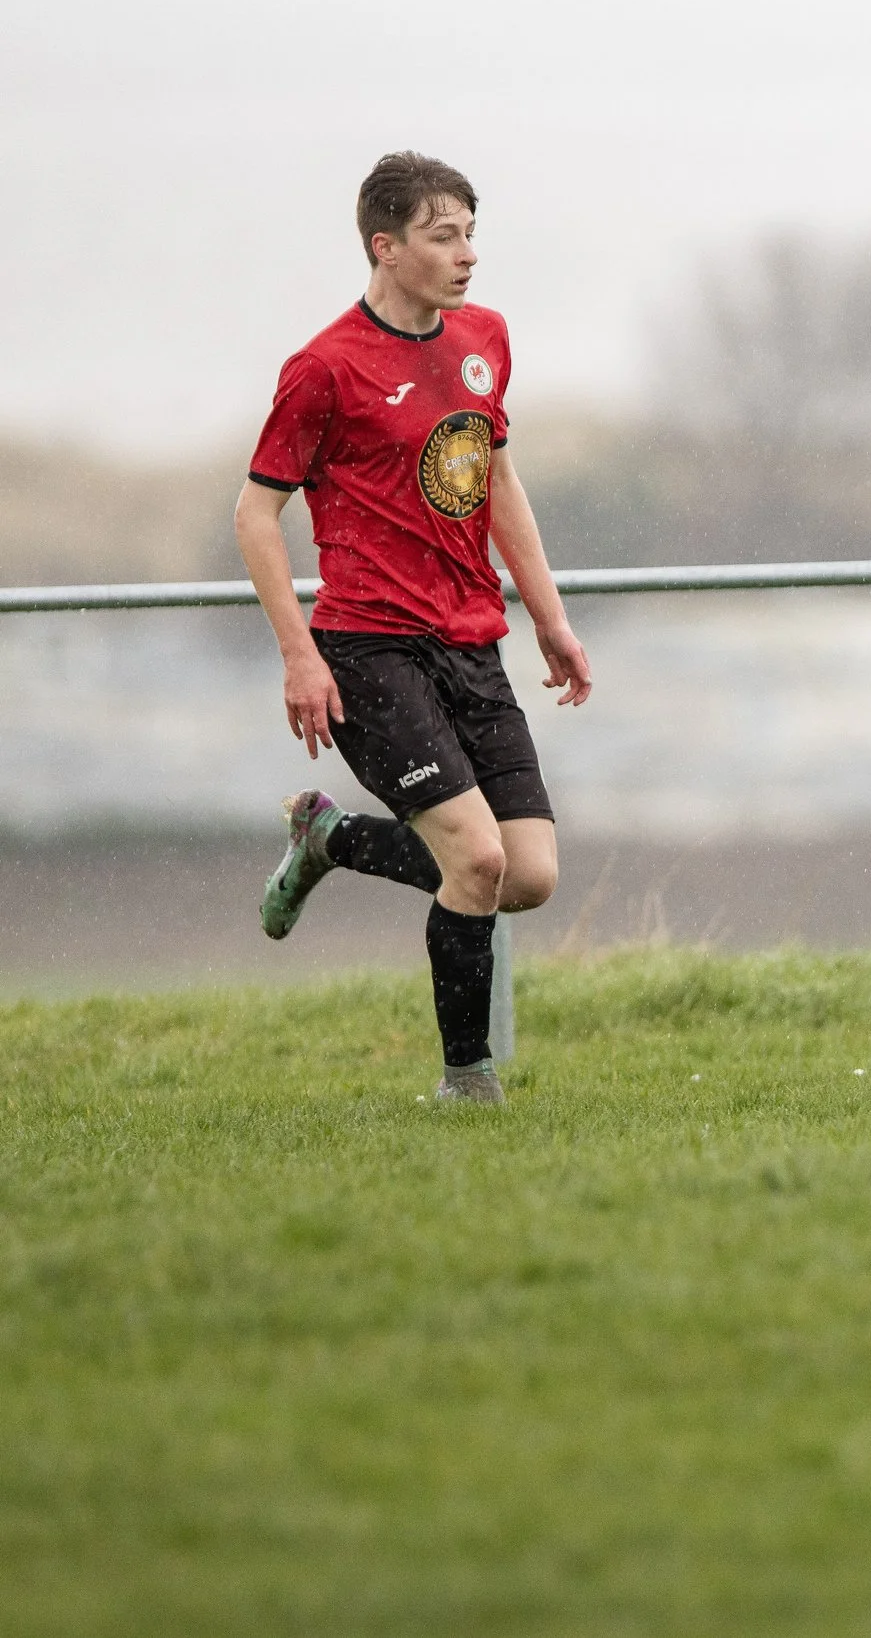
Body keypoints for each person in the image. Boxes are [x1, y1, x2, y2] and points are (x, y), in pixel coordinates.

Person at [236, 152, 592, 1105]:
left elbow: (497, 479)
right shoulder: (324, 369)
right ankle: (466, 1082)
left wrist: (550, 618)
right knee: (473, 862)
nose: (468, 254)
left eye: (472, 233)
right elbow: (255, 516)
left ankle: (330, 842)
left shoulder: (485, 338)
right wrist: (298, 656)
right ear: (386, 248)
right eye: (445, 237)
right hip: (368, 651)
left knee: (528, 876)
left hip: (471, 642)